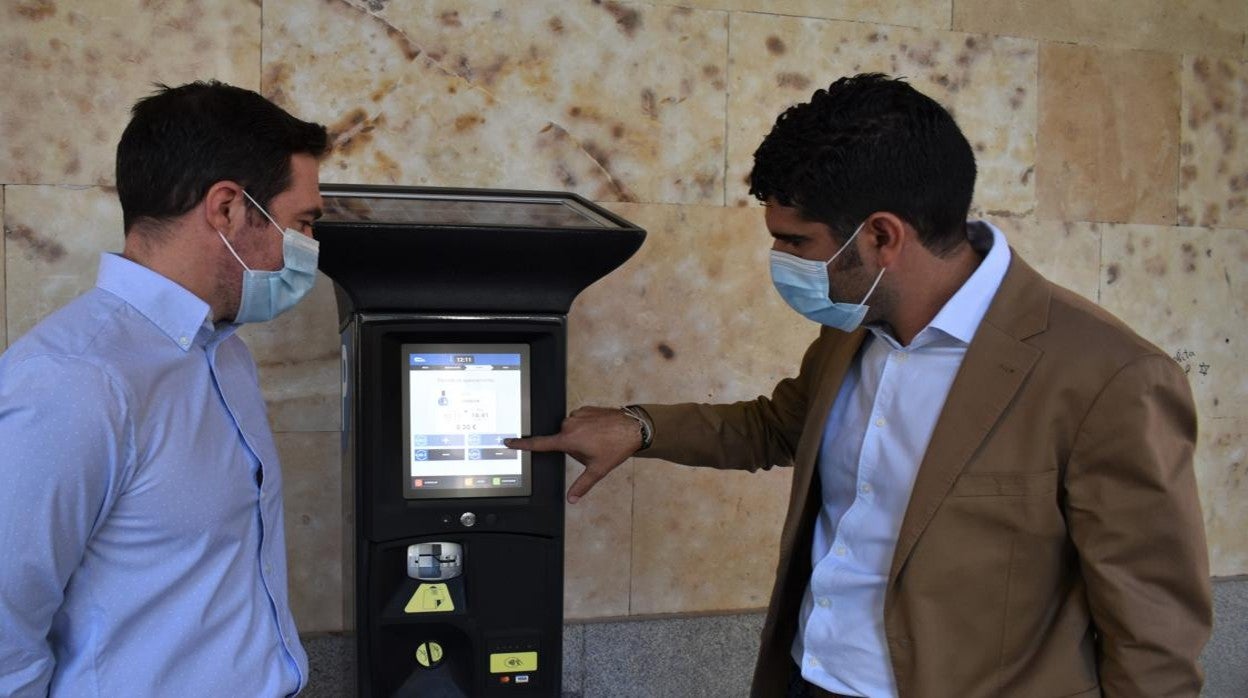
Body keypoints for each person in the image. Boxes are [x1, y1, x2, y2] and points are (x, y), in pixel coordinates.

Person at [508, 74, 1212, 697]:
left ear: (881, 238)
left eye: (795, 242)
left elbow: (1155, 634)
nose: (779, 260)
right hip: (809, 677)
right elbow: (780, 426)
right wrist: (639, 428)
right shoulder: (854, 325)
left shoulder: (1109, 377)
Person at [0, 81, 328, 696]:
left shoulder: (224, 354)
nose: (308, 248)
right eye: (301, 223)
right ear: (227, 208)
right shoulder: (74, 382)